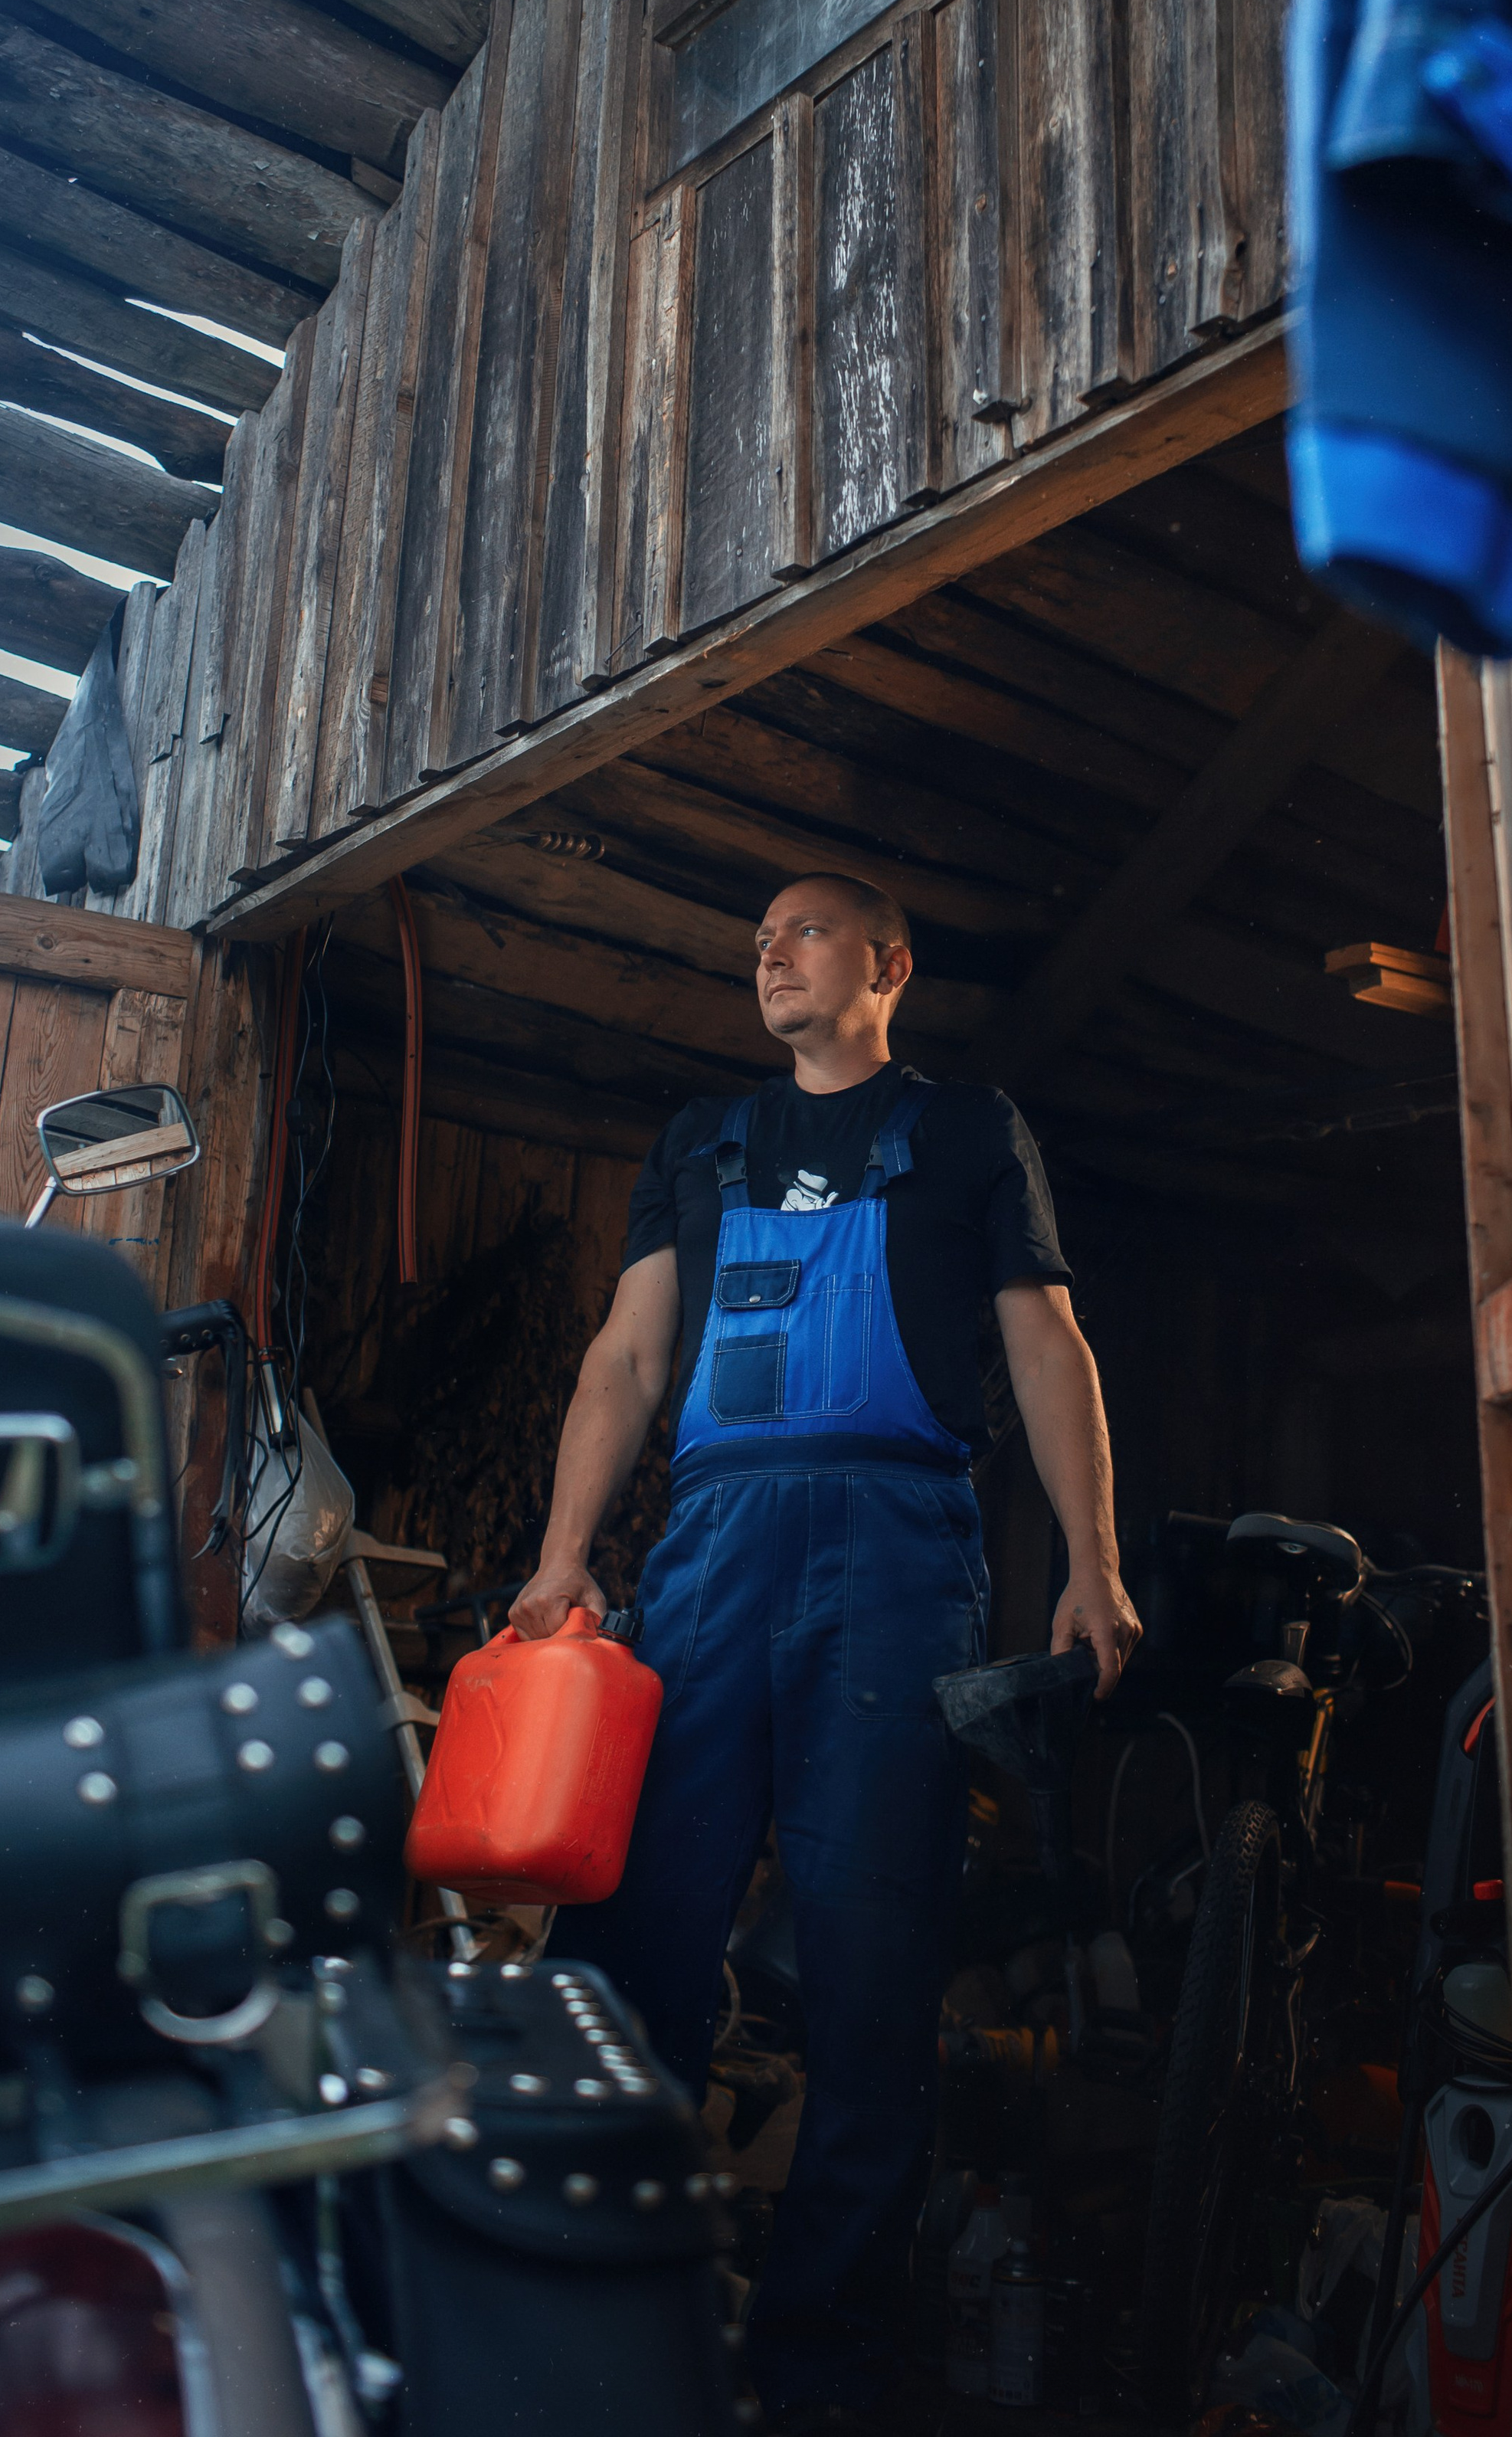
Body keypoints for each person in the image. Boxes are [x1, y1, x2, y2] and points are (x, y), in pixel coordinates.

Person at [510, 873, 1141, 2435]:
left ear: (888, 966)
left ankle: (819, 2376)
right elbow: (627, 1356)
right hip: (712, 1555)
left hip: (893, 1554)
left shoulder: (967, 1133)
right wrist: (559, 1553)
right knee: (631, 1944)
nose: (766, 951)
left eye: (802, 930)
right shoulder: (701, 1145)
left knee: (871, 1987)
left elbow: (1042, 1339)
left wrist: (1091, 1561)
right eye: (756, 940)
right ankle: (606, 2320)